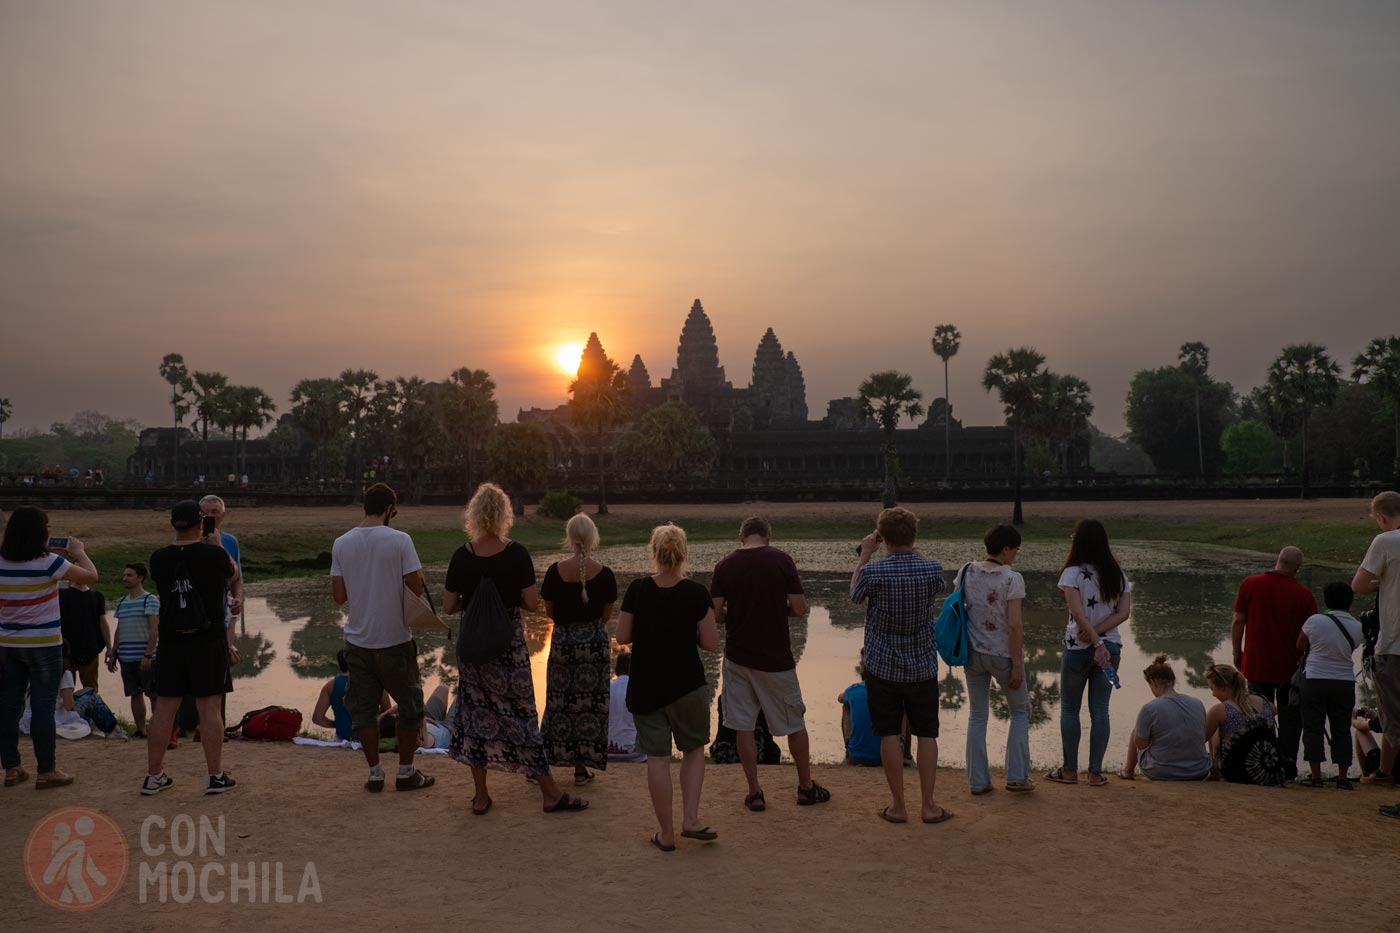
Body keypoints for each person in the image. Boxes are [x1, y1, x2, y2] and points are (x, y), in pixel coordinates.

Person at [444, 482, 587, 815]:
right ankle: (550, 793)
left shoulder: (461, 556)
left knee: (475, 717)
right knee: (522, 715)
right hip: (508, 648)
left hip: (473, 648)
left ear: (474, 515)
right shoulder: (517, 554)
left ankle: (481, 797)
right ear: (504, 515)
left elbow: (449, 606)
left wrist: (475, 600)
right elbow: (532, 604)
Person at [711, 516, 829, 811]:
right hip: (776, 659)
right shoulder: (781, 561)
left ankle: (755, 791)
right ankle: (805, 786)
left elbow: (715, 613)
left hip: (738, 657)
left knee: (743, 725)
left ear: (741, 537)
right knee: (795, 722)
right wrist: (776, 609)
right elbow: (799, 608)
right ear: (767, 535)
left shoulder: (724, 566)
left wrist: (738, 615)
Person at [616, 524, 718, 851]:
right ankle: (691, 819)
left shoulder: (637, 589)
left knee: (658, 759)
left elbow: (622, 636)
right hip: (688, 685)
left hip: (647, 687)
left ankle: (667, 834)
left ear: (655, 553)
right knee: (693, 750)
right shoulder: (697, 592)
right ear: (683, 554)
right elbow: (711, 643)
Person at [330, 482, 433, 793]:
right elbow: (416, 588)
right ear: (389, 509)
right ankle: (405, 772)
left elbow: (339, 596)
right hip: (395, 640)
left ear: (365, 507)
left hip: (357, 642)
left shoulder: (341, 543)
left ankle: (375, 775)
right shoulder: (400, 540)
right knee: (409, 706)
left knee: (364, 712)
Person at [851, 506, 951, 824]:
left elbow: (854, 595)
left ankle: (898, 806)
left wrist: (865, 555)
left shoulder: (873, 572)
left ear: (883, 537)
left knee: (889, 734)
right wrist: (915, 552)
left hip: (882, 666)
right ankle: (929, 805)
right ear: (913, 535)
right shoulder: (931, 569)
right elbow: (941, 586)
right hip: (922, 664)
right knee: (927, 734)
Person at [143, 500, 238, 796]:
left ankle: (154, 775)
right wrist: (217, 544)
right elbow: (233, 574)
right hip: (208, 639)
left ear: (173, 524)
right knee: (209, 707)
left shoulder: (159, 558)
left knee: (164, 708)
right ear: (201, 524)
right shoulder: (214, 554)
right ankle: (215, 776)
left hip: (171, 640)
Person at [1, 507, 98, 790]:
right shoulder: (50, 562)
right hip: (43, 644)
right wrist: (79, 552)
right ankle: (46, 770)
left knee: (8, 705)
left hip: (7, 644)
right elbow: (90, 576)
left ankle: (12, 768)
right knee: (43, 707)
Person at [1046, 519, 1133, 787]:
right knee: (1100, 710)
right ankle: (1095, 773)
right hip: (1111, 649)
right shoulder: (1117, 574)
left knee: (1070, 709)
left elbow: (1077, 612)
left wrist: (1093, 638)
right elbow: (1123, 613)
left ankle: (1069, 771)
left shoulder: (1071, 573)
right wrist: (1100, 637)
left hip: (1078, 649)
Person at [539, 513, 617, 785]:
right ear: (593, 537)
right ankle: (581, 770)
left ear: (570, 538)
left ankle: (541, 767)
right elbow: (606, 616)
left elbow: (550, 612)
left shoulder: (554, 572)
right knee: (589, 707)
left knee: (558, 703)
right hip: (594, 647)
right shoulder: (605, 575)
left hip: (563, 644)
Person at [1231, 546, 1317, 780]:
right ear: (1298, 568)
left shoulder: (1250, 583)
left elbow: (1238, 621)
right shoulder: (1305, 595)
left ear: (1277, 560)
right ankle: (1287, 766)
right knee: (1291, 720)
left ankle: (1259, 764)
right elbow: (1311, 633)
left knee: (1258, 716)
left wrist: (1237, 652)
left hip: (1256, 663)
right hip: (1291, 669)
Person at [960, 523, 1033, 795]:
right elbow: (1014, 626)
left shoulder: (967, 570)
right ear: (1005, 549)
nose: (1016, 555)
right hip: (1002, 655)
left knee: (977, 716)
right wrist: (1017, 666)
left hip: (973, 653)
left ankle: (978, 781)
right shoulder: (1012, 579)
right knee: (1020, 712)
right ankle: (1016, 777)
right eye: (1015, 550)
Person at [1351, 491, 1399, 800]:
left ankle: (1387, 775)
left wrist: (1382, 582)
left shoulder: (1385, 541)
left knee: (1394, 714)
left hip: (1394, 644)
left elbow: (1358, 585)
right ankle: (1385, 771)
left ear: (1381, 518)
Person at [1296, 582, 1364, 789]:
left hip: (1315, 679)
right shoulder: (1357, 626)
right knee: (1342, 728)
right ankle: (1342, 777)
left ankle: (1316, 776)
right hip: (1344, 681)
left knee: (1313, 727)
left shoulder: (1315, 620)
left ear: (1326, 600)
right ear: (1350, 602)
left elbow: (1300, 645)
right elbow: (1354, 647)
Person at [1119, 655, 1211, 781]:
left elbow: (1140, 744)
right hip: (1199, 770)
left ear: (1153, 683)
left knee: (1137, 731)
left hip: (1161, 771)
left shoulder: (1149, 708)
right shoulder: (1197, 703)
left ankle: (1128, 771)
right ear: (1173, 681)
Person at [1203, 662, 1281, 785]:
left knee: (1216, 728)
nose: (1213, 694)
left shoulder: (1220, 710)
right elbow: (1274, 711)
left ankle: (1215, 771)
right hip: (1269, 770)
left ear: (1223, 687)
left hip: (1238, 773)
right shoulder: (1265, 702)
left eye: (1212, 688)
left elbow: (1200, 739)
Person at [106, 563, 159, 737]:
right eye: (124, 575)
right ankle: (140, 730)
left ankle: (158, 729)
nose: (125, 578)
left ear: (140, 578)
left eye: (129, 575)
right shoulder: (121, 602)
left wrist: (148, 655)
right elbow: (119, 630)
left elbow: (154, 629)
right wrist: (113, 653)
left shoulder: (149, 600)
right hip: (127, 657)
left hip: (147, 658)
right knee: (134, 694)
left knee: (154, 695)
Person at [311, 649, 390, 742]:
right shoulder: (375, 683)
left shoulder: (330, 686)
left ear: (340, 665)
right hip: (370, 738)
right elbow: (388, 712)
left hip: (342, 740)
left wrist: (337, 724)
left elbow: (317, 719)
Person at [58, 580, 110, 691]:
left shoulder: (97, 596)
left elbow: (103, 622)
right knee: (66, 688)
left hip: (90, 648)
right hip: (66, 650)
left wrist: (109, 647)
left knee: (90, 690)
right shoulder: (61, 594)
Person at [607, 652, 645, 762]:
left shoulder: (607, 687)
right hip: (635, 756)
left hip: (607, 753)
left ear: (616, 669)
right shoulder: (640, 689)